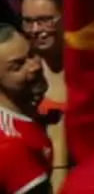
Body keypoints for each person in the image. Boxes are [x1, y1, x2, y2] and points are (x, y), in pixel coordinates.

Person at [0, 25, 56, 194]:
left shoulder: (35, 114)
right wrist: (61, 144)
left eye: (32, 54)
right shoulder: (10, 146)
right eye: (17, 66)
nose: (34, 66)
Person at [18, 0, 63, 119]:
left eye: (45, 20)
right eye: (28, 21)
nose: (35, 29)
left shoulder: (89, 69)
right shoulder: (17, 71)